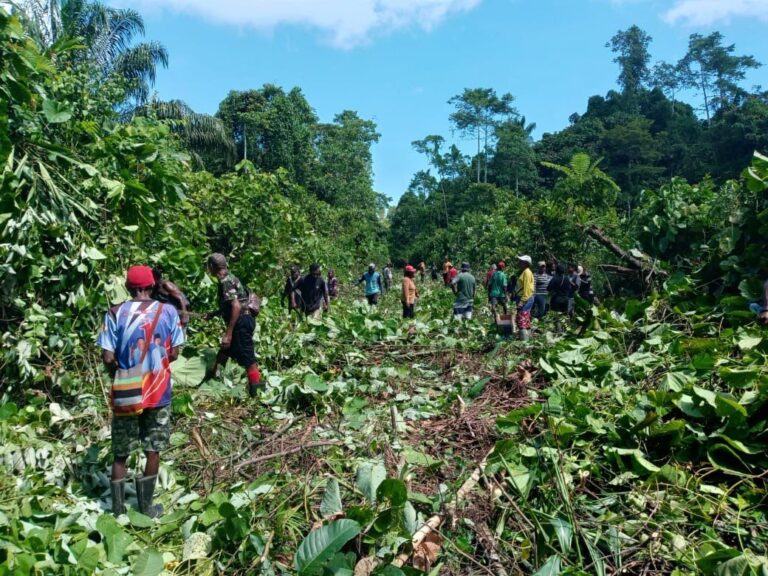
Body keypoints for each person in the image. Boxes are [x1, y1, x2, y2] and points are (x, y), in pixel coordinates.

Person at [97, 265, 185, 518]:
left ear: (128, 287)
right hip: (158, 392)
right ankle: (146, 508)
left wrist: (121, 373)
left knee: (120, 453)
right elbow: (175, 352)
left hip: (126, 391)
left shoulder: (115, 313)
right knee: (153, 449)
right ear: (151, 285)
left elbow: (107, 356)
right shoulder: (167, 311)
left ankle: (117, 509)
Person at [204, 253, 262, 398]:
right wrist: (214, 313)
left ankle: (258, 392)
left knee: (248, 358)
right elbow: (236, 302)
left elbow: (236, 306)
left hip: (241, 322)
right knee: (224, 351)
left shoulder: (225, 281)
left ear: (212, 266)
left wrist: (228, 333)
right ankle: (212, 379)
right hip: (243, 320)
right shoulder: (231, 277)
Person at [515, 256, 535, 341]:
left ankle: (524, 342)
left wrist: (522, 301)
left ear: (526, 263)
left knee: (522, 320)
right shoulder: (525, 272)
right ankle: (528, 340)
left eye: (521, 261)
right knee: (525, 319)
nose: (519, 263)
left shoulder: (527, 272)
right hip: (525, 298)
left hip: (525, 298)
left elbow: (527, 289)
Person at [548, 264, 572, 331]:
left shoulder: (555, 278)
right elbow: (569, 288)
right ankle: (566, 331)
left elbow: (549, 288)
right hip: (566, 299)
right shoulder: (567, 278)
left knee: (556, 316)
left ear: (556, 270)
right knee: (564, 315)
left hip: (557, 299)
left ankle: (559, 331)